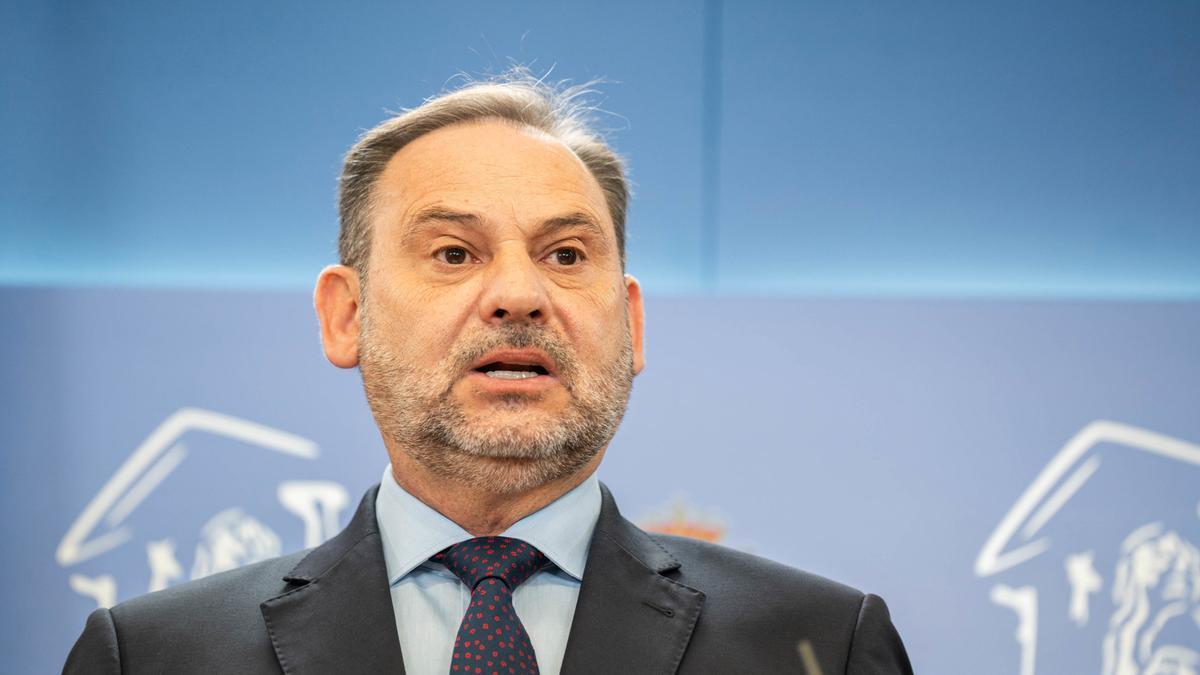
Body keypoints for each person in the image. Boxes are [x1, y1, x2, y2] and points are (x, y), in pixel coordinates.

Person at [64, 73, 914, 674]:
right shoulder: (155, 655)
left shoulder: (819, 645)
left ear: (632, 321)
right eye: (454, 252)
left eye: (566, 253)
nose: (518, 293)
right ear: (345, 314)